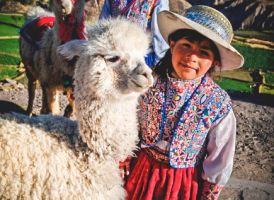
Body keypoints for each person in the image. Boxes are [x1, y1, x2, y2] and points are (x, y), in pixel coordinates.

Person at [124, 5, 244, 199]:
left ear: (214, 62)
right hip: (140, 172)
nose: (192, 57)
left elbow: (220, 155)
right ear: (172, 45)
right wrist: (122, 162)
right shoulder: (147, 83)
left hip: (183, 184)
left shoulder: (217, 103)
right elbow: (128, 126)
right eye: (186, 45)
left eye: (204, 52)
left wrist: (209, 194)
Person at [99, 0, 169, 67]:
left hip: (143, 59)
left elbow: (161, 37)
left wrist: (157, 64)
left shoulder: (159, 1)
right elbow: (103, 27)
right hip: (115, 57)